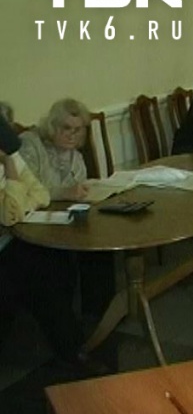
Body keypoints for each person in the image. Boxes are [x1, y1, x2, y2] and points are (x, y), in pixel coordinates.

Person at [0, 114, 93, 371]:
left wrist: (12, 174)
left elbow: (41, 195)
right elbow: (11, 215)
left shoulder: (13, 155)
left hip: (11, 238)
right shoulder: (10, 159)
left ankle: (72, 341)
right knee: (37, 270)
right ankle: (71, 348)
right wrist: (9, 168)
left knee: (56, 258)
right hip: (8, 243)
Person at [19, 98, 91, 201]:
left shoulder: (76, 158)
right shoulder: (30, 144)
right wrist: (63, 193)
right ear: (52, 125)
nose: (72, 135)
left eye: (77, 129)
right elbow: (27, 191)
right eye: (66, 128)